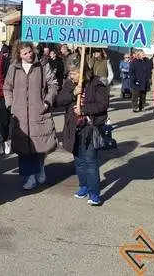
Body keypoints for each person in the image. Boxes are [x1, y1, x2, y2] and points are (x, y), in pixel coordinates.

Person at [3, 41, 58, 190]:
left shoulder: (42, 65)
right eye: (25, 53)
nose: (29, 55)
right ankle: (30, 177)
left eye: (30, 51)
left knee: (39, 145)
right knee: (24, 148)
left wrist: (47, 102)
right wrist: (10, 105)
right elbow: (7, 87)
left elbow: (53, 84)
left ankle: (40, 167)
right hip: (20, 114)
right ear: (18, 55)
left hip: (38, 111)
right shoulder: (13, 68)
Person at [54, 62, 110, 206]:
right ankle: (83, 185)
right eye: (70, 73)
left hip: (90, 127)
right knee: (79, 160)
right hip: (73, 127)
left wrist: (84, 110)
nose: (71, 76)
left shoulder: (97, 84)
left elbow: (102, 105)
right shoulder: (69, 84)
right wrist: (73, 93)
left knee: (90, 160)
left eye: (74, 73)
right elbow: (59, 101)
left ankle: (94, 193)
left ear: (83, 72)